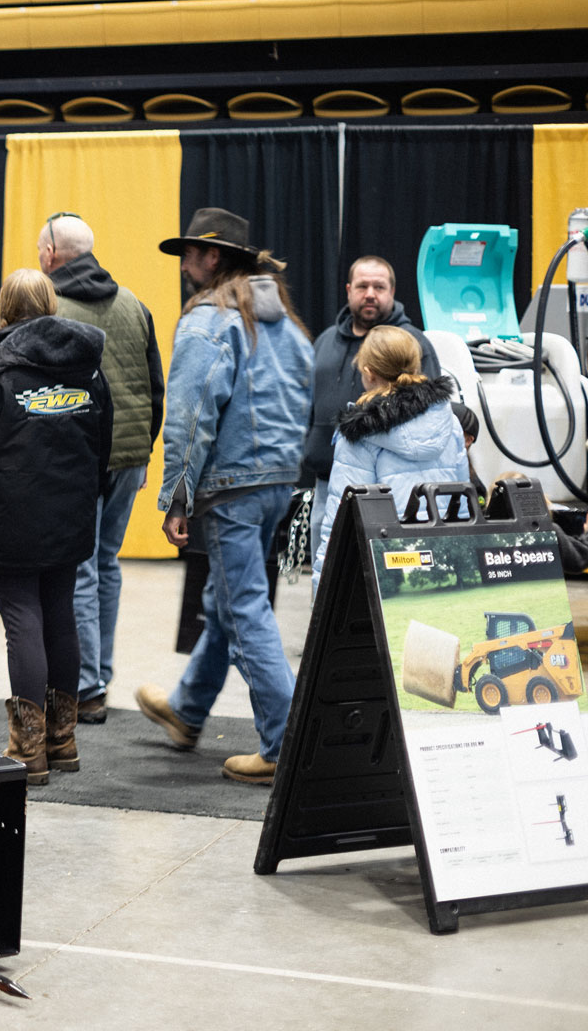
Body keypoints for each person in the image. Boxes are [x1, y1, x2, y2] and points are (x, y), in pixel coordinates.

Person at [136, 208, 313, 786]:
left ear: (213, 258)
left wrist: (177, 498)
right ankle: (188, 711)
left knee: (243, 610)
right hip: (277, 481)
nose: (184, 262)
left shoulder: (209, 320)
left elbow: (191, 416)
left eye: (190, 252)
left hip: (232, 486)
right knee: (228, 599)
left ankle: (286, 742)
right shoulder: (284, 320)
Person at [0, 269, 111, 785]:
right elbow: (102, 444)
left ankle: (28, 750)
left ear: (2, 309)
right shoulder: (88, 368)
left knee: (23, 621)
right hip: (69, 514)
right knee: (60, 615)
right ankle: (63, 740)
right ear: (52, 303)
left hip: (9, 517)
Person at [37, 212, 164, 723]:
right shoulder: (134, 302)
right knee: (106, 564)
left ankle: (87, 687)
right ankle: (99, 675)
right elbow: (154, 386)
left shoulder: (49, 307)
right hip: (129, 457)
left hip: (77, 459)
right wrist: (143, 450)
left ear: (50, 253)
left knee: (81, 570)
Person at [311, 325, 468, 588]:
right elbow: (461, 503)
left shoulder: (360, 433)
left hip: (386, 572)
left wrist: (321, 585)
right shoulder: (449, 421)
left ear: (368, 373)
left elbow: (338, 524)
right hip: (444, 558)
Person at [303, 256, 440, 527]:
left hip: (391, 490)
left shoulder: (413, 343)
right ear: (348, 290)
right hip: (326, 485)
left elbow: (430, 411)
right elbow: (305, 404)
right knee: (327, 564)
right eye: (362, 286)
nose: (369, 294)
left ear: (392, 292)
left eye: (378, 287)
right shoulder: (325, 341)